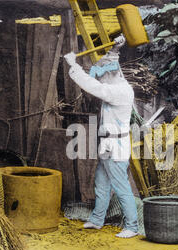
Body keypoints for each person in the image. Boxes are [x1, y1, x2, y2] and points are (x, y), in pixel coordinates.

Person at [63, 35, 138, 238]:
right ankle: (97, 220)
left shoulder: (120, 91)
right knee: (101, 184)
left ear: (111, 75)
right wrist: (115, 49)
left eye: (103, 77)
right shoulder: (117, 79)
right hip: (108, 144)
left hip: (116, 146)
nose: (101, 79)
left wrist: (74, 65)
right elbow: (111, 65)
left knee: (121, 187)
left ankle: (132, 226)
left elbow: (95, 87)